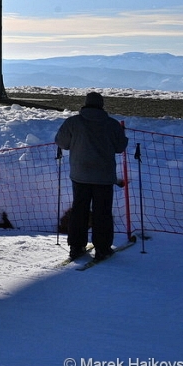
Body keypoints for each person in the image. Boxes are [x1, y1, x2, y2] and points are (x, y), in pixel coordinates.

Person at [55, 92, 129, 262]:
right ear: (101, 105)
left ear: (85, 104)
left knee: (79, 210)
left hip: (80, 175)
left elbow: (62, 142)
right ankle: (102, 248)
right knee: (102, 212)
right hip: (104, 176)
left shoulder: (73, 122)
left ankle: (76, 247)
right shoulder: (112, 124)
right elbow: (120, 147)